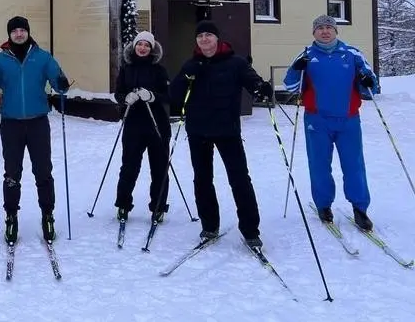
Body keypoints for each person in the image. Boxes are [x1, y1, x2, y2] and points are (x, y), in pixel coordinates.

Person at [169, 20, 273, 249]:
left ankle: (250, 230)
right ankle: (209, 226)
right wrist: (187, 77)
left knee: (239, 179)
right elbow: (173, 95)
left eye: (208, 35)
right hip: (198, 131)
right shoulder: (191, 64)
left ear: (217, 38)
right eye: (200, 36)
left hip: (227, 131)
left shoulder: (235, 63)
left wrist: (261, 88)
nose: (204, 39)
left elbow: (252, 82)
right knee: (203, 180)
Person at [283, 14, 380, 231]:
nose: (325, 31)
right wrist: (296, 69)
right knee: (319, 166)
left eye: (329, 27)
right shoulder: (306, 56)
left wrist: (367, 81)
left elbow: (372, 88)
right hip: (316, 121)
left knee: (354, 165)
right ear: (314, 33)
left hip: (348, 120)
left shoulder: (352, 54)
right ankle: (324, 205)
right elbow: (290, 87)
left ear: (336, 31)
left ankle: (360, 208)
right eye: (320, 28)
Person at [0, 16, 70, 244]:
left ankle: (47, 214)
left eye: (22, 30)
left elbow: (59, 82)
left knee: (43, 170)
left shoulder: (42, 57)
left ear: (28, 32)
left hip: (38, 121)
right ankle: (11, 216)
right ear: (9, 34)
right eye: (15, 31)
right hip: (11, 123)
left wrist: (61, 83)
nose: (19, 34)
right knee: (12, 172)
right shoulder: (0, 60)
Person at [112, 30, 171, 223]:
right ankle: (123, 204)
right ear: (134, 46)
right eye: (140, 44)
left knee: (159, 168)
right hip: (133, 124)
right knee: (129, 167)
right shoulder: (126, 68)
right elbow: (118, 92)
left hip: (157, 125)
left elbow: (167, 95)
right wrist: (125, 98)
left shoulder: (159, 70)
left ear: (152, 49)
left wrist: (152, 96)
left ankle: (159, 207)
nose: (143, 48)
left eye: (147, 45)